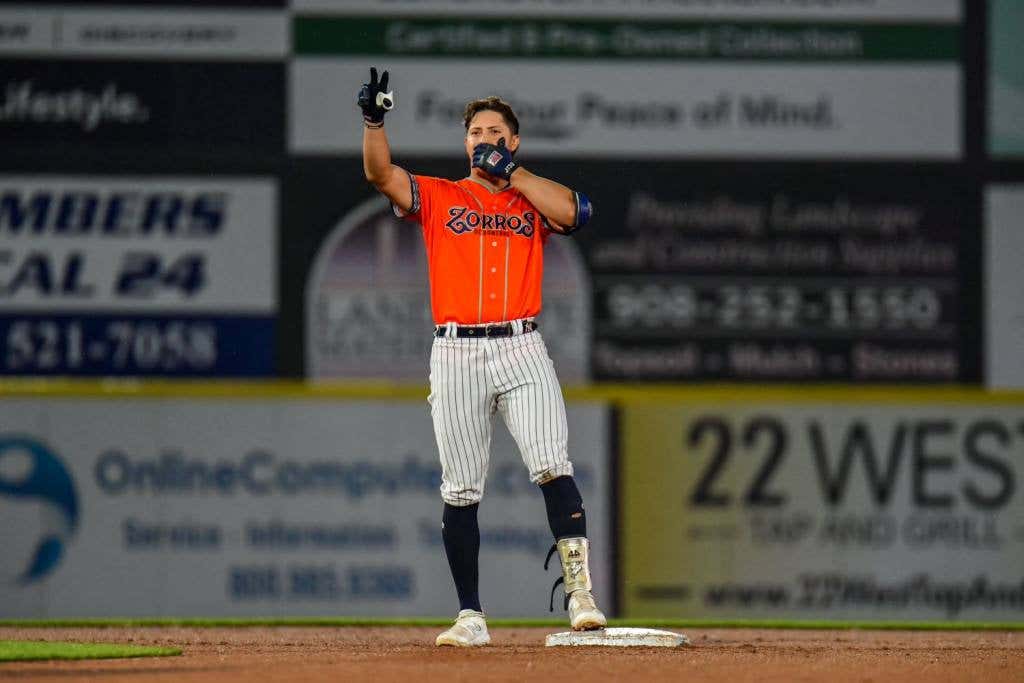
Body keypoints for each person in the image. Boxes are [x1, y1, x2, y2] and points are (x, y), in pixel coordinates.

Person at [359, 67, 605, 646]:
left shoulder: (530, 197)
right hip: (456, 351)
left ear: (512, 140)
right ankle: (470, 616)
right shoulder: (444, 195)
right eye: (474, 131)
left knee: (552, 464)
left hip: (521, 344)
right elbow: (379, 174)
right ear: (465, 141)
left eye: (494, 130)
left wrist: (513, 174)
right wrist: (373, 122)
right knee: (461, 487)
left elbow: (577, 213)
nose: (483, 138)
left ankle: (581, 595)